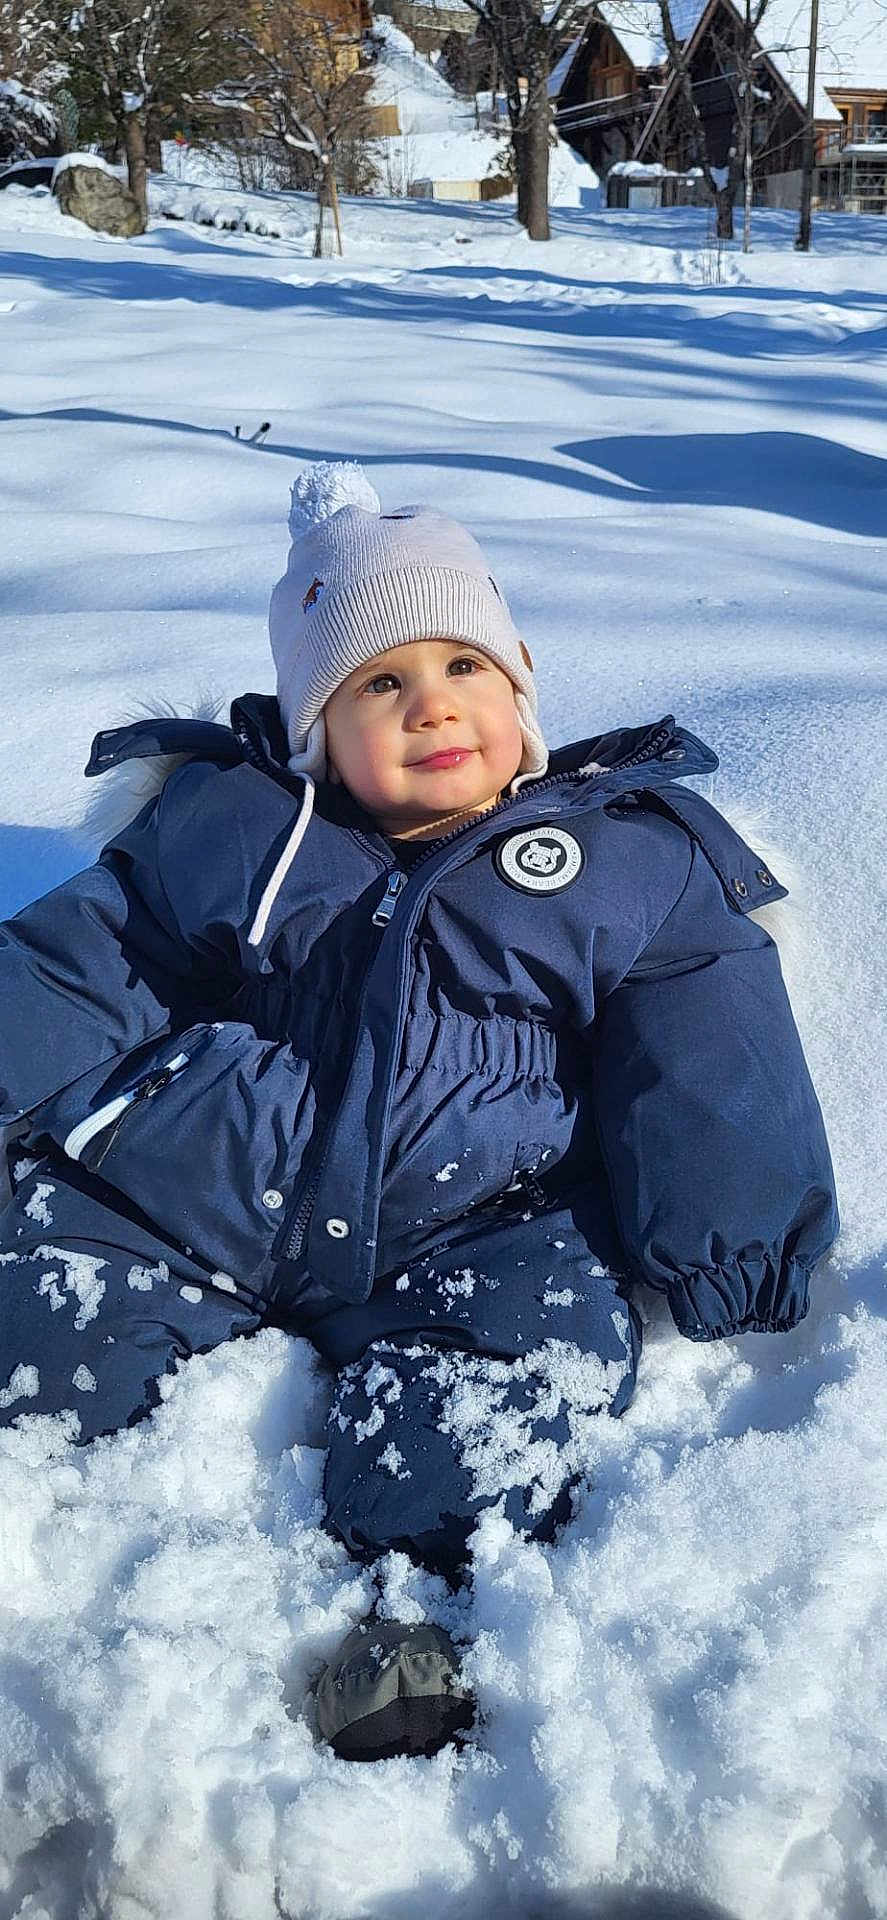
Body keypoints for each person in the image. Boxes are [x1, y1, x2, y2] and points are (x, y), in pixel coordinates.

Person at [0, 462, 839, 1762]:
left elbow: (706, 1041)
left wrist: (736, 1240)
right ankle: (69, 1544)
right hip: (214, 1184)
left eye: (463, 666)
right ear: (314, 731)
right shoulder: (239, 829)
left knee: (506, 1387)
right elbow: (90, 959)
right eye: (378, 684)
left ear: (522, 685)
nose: (432, 704)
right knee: (50, 1301)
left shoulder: (619, 859)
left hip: (477, 1220)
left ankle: (415, 1618)